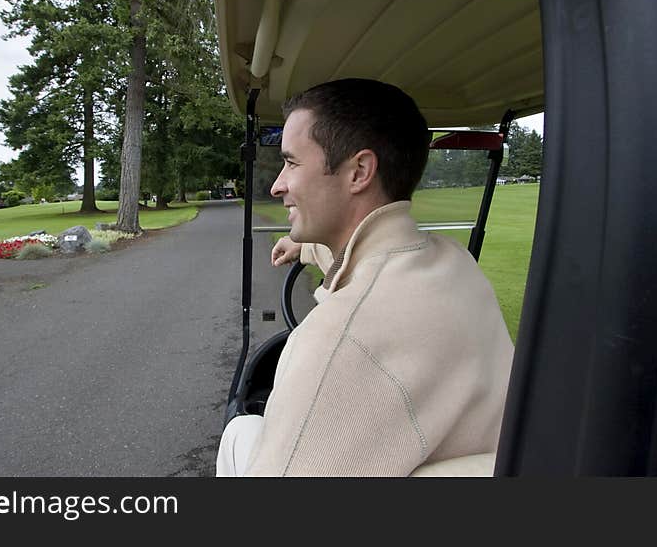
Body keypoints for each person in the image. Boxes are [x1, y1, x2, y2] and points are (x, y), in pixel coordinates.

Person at [216, 78, 515, 476]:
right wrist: (303, 246)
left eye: (291, 163)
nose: (277, 185)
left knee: (241, 430)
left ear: (359, 171)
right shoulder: (455, 261)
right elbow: (359, 250)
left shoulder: (335, 341)